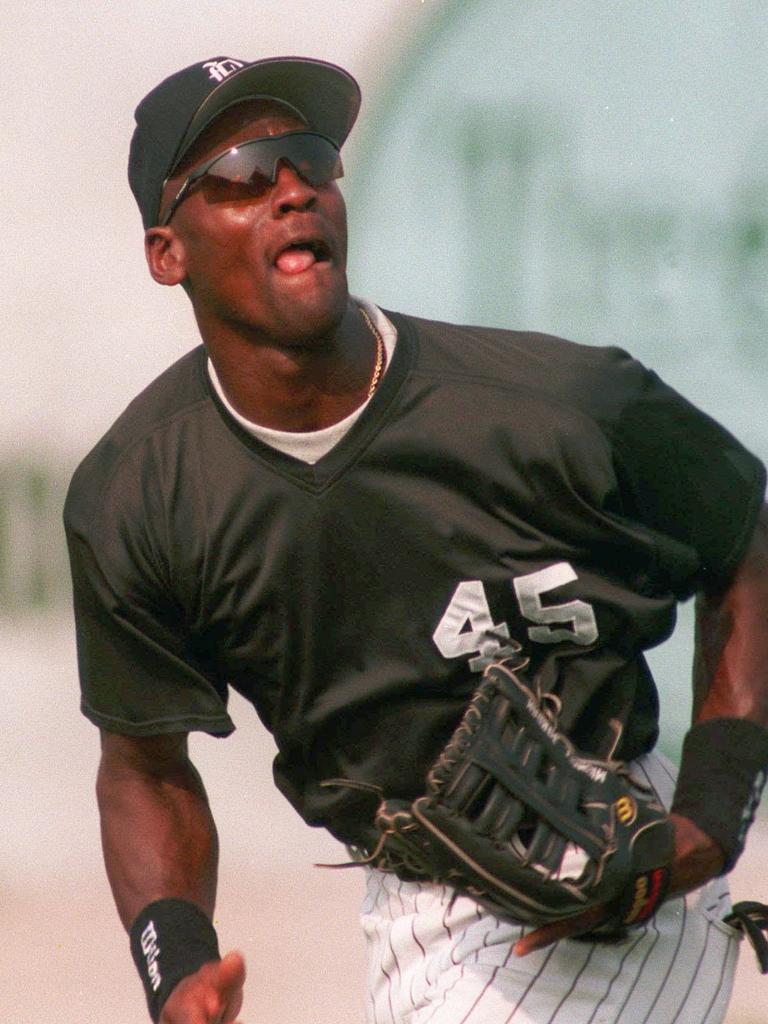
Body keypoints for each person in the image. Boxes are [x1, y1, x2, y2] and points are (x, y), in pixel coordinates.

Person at [63, 54, 768, 1024]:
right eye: (239, 175)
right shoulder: (140, 497)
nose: (292, 188)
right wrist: (174, 962)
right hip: (408, 901)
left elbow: (746, 537)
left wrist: (713, 812)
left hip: (618, 875)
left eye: (308, 158)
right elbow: (145, 763)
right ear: (167, 251)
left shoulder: (558, 406)